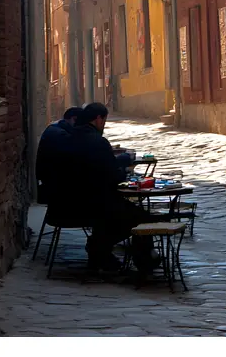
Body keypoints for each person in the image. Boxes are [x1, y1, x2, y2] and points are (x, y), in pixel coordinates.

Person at [63, 103, 154, 272]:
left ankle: (101, 252)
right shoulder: (98, 142)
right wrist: (124, 171)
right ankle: (144, 261)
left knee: (122, 215)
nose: (103, 125)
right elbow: (111, 176)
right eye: (104, 121)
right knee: (142, 218)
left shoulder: (69, 137)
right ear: (98, 119)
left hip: (67, 200)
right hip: (94, 201)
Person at [35, 107, 82, 203]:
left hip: (50, 182)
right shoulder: (61, 135)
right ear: (74, 119)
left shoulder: (55, 129)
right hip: (55, 185)